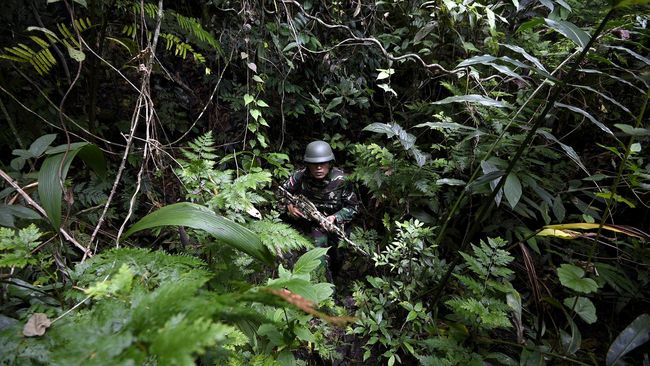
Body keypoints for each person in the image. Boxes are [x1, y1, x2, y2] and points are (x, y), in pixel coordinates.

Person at [281, 140, 359, 281]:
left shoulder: (341, 180)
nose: (318, 168)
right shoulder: (299, 177)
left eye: (322, 164)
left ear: (330, 163)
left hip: (336, 225)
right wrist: (289, 206)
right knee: (317, 256)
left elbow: (353, 208)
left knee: (338, 257)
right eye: (314, 164)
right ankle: (322, 285)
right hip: (310, 225)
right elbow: (281, 193)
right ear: (307, 164)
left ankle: (335, 279)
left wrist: (335, 217)